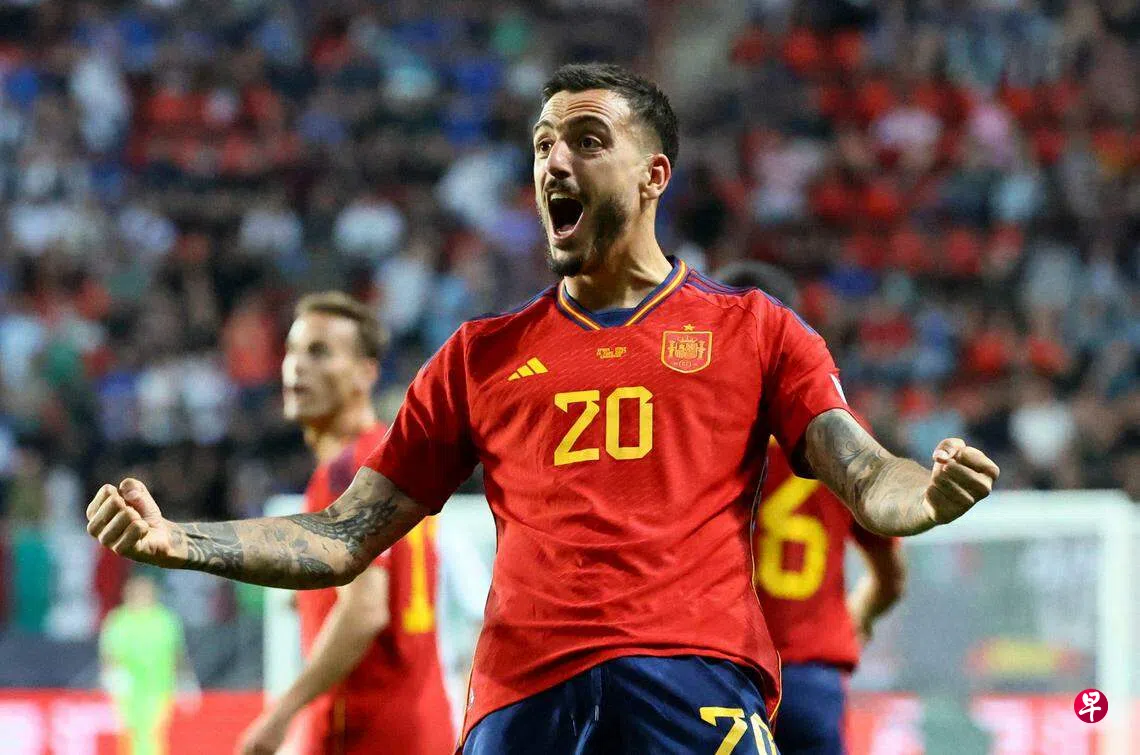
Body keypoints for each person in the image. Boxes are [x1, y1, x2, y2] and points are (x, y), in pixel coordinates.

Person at [85, 63, 1000, 754]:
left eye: (587, 141)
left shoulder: (754, 329)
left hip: (692, 681)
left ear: (654, 175)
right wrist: (181, 539)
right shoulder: (478, 356)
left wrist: (924, 495)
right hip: (521, 703)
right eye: (542, 145)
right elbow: (342, 535)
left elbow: (864, 473)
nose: (554, 161)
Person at [236, 292, 454, 755]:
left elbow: (365, 609)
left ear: (365, 373)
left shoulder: (350, 470)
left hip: (363, 726)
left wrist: (282, 712)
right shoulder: (395, 460)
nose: (297, 366)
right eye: (292, 351)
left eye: (319, 352)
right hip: (423, 719)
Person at [719, 261, 907, 754]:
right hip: (810, 678)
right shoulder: (840, 432)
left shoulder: (701, 428)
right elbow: (890, 573)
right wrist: (862, 612)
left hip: (721, 677)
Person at [99, 574, 198, 755]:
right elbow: (109, 655)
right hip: (128, 693)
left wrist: (185, 680)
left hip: (160, 688)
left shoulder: (166, 620)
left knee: (155, 733)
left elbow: (177, 653)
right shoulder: (118, 620)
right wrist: (112, 678)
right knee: (130, 734)